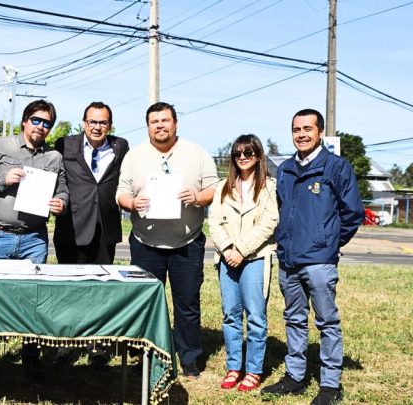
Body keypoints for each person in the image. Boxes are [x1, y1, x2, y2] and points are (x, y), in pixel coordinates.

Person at [261, 109, 364, 405]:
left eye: (308, 128)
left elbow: (352, 213)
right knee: (294, 320)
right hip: (289, 261)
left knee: (327, 322)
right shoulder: (285, 169)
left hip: (319, 261)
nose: (301, 134)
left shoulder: (336, 167)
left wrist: (328, 243)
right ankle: (295, 376)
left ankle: (330, 384)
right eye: (296, 129)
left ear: (320, 133)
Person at [116, 101, 218, 380]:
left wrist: (197, 198)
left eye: (165, 120)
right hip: (145, 242)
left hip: (187, 243)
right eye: (154, 121)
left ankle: (189, 358)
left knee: (187, 303)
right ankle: (144, 353)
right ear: (147, 126)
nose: (160, 125)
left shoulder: (196, 153)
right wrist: (133, 203)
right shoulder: (134, 156)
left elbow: (214, 188)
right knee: (146, 303)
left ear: (175, 123)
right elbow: (121, 193)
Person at [0, 99, 69, 380]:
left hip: (34, 239)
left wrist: (60, 202)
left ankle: (31, 359)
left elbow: (63, 191)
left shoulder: (54, 158)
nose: (40, 126)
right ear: (25, 121)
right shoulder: (3, 145)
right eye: (36, 120)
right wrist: (4, 177)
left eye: (46, 123)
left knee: (32, 299)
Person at [52, 101, 129, 371]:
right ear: (84, 123)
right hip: (71, 227)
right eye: (92, 122)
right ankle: (66, 343)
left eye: (103, 122)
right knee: (70, 289)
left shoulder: (121, 146)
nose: (97, 127)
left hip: (105, 230)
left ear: (110, 125)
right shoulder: (64, 145)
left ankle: (98, 345)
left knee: (101, 290)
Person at [208, 134, 278, 391]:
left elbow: (270, 223)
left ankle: (254, 370)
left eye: (248, 153)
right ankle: (234, 366)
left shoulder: (269, 186)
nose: (242, 158)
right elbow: (213, 221)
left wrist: (242, 250)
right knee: (230, 315)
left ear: (258, 156)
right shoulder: (222, 186)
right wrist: (227, 248)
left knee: (256, 316)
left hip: (255, 258)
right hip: (227, 258)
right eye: (237, 154)